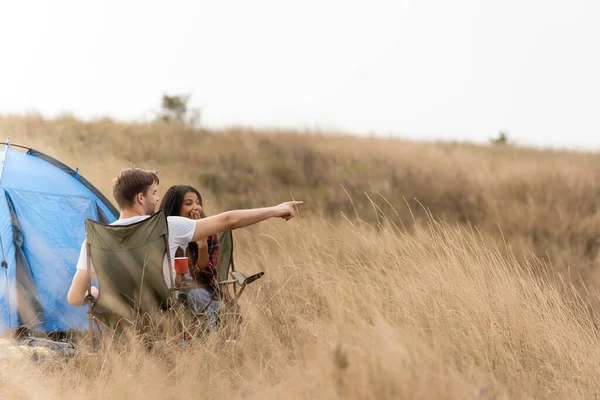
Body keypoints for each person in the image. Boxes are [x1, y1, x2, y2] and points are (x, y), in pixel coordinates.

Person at [67, 168, 302, 309]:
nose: (157, 199)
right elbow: (228, 220)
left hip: (120, 331)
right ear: (140, 197)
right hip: (165, 324)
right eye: (154, 193)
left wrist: (98, 295)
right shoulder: (167, 226)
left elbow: (75, 298)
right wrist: (274, 209)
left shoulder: (94, 239)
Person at [159, 185, 223, 330]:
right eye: (188, 203)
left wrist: (202, 245)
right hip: (169, 293)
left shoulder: (210, 232)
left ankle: (211, 339)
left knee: (197, 294)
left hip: (203, 294)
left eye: (198, 202)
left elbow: (206, 279)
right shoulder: (161, 232)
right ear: (175, 208)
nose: (196, 208)